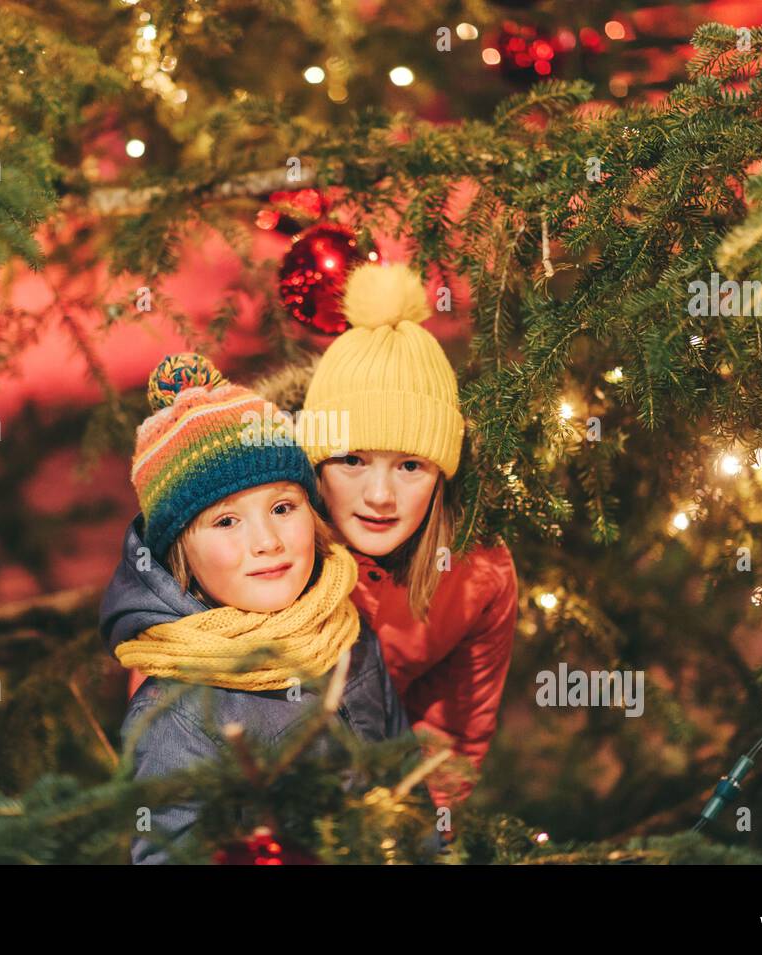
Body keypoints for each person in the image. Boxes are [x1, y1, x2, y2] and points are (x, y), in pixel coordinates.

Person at [98, 353, 417, 864]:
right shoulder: (178, 717)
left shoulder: (346, 632)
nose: (266, 541)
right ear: (181, 553)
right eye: (226, 522)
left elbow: (408, 786)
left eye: (283, 508)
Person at [296, 261, 520, 826]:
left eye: (410, 466)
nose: (379, 496)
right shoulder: (270, 544)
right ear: (317, 465)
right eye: (352, 460)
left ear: (442, 473)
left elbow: (450, 732)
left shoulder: (477, 576)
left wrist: (402, 834)